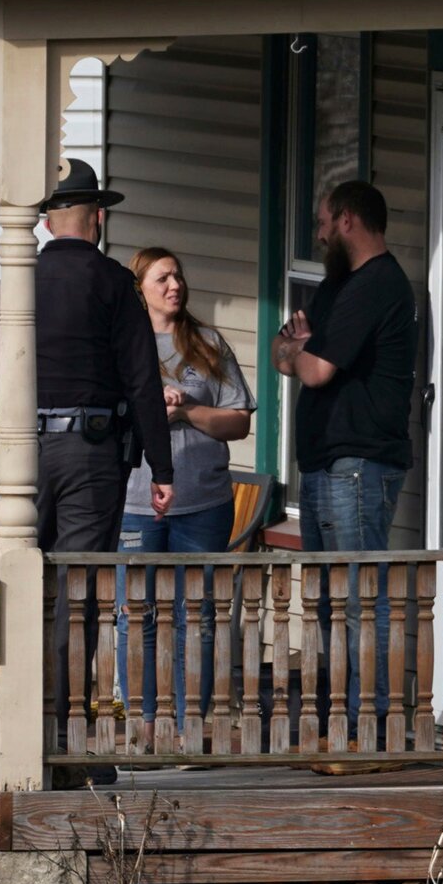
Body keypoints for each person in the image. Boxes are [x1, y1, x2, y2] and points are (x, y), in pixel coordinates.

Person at [270, 179, 418, 735]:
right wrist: (296, 351)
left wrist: (298, 353)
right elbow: (285, 350)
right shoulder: (338, 285)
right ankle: (337, 715)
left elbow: (313, 368)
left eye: (324, 221)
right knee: (327, 599)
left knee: (359, 594)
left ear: (349, 221)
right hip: (323, 465)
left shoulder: (376, 285)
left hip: (357, 466)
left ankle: (370, 721)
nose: (320, 232)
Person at [0, 158, 174, 549]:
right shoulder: (115, 282)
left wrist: (25, 414)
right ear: (98, 217)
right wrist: (162, 470)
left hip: (25, 450)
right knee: (79, 582)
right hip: (90, 453)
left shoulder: (15, 280)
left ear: (47, 224)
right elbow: (142, 382)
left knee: (24, 567)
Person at [118, 248, 254, 720]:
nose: (175, 285)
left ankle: (190, 722)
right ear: (141, 289)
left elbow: (238, 424)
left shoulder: (208, 344)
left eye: (178, 276)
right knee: (138, 617)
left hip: (202, 503)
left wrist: (188, 410)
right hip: (137, 502)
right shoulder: (122, 343)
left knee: (195, 618)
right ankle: (144, 723)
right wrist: (149, 406)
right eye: (162, 278)